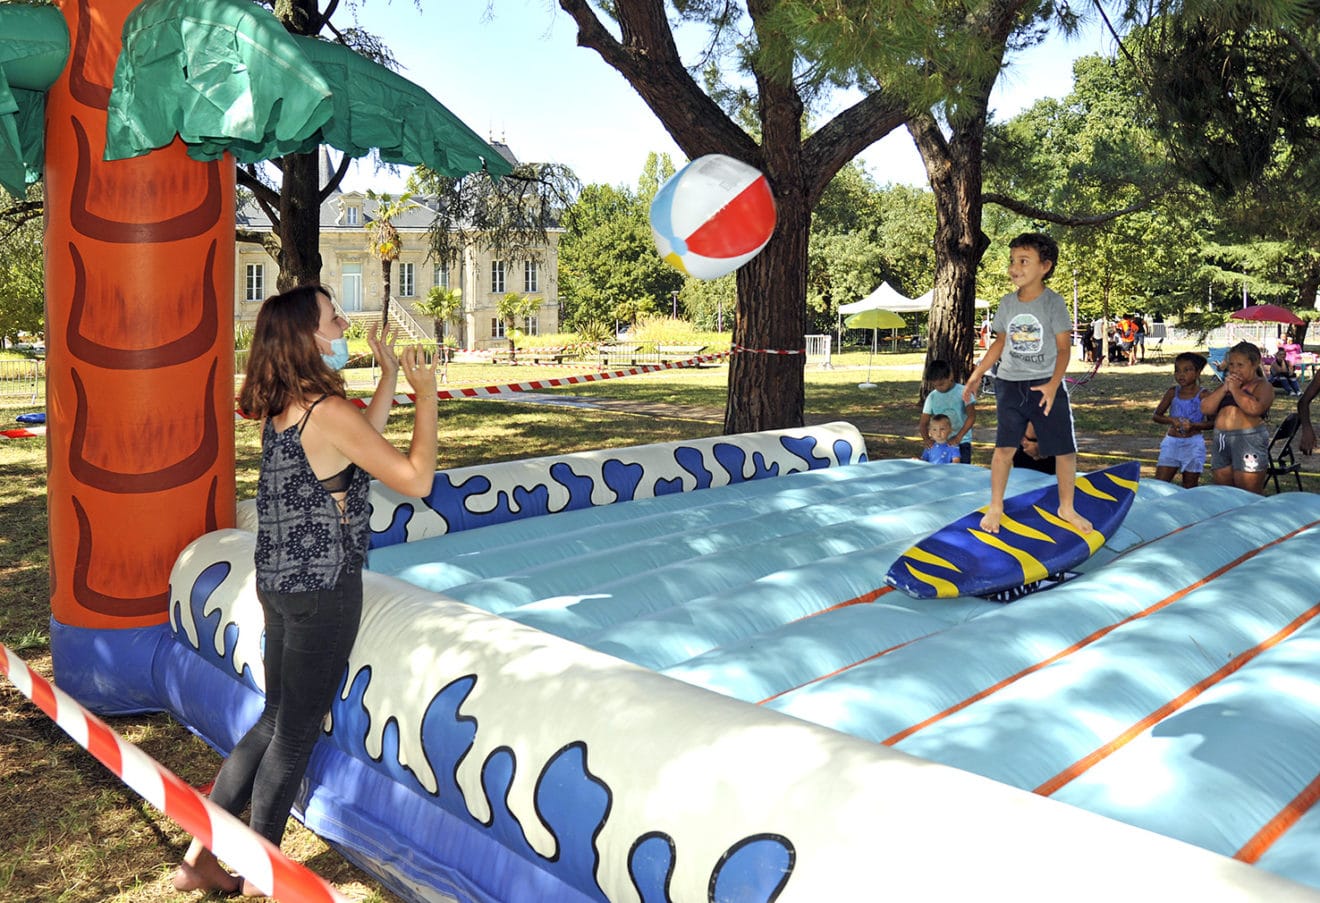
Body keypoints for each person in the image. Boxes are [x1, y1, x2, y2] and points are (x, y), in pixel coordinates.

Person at [173, 285, 440, 897]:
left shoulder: (288, 408)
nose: (345, 322)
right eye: (334, 317)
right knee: (293, 735)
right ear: (310, 338)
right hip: (323, 590)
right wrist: (426, 399)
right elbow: (416, 478)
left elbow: (355, 446)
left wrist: (391, 374)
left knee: (272, 721)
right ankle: (262, 872)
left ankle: (199, 858)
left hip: (278, 584)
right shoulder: (326, 411)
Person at [963, 232, 1091, 535]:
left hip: (1046, 384)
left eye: (1023, 261)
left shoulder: (1053, 303)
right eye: (1012, 261)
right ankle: (996, 506)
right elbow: (999, 342)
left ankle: (1066, 507)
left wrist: (1052, 385)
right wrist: (978, 373)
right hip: (1009, 384)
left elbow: (1063, 349)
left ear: (1045, 266)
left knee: (1064, 450)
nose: (1014, 268)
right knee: (1004, 449)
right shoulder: (1007, 303)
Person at [1200, 340, 1274, 493]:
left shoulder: (1262, 385)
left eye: (1240, 365)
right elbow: (1206, 408)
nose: (1234, 369)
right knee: (1225, 491)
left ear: (1254, 364)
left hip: (1248, 438)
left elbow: (1254, 408)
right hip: (1222, 438)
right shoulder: (1227, 385)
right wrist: (1224, 389)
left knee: (1247, 492)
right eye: (1231, 365)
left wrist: (1235, 390)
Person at [1152, 352, 1210, 488]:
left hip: (1193, 444)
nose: (1181, 375)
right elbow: (1157, 415)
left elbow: (1213, 422)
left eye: (1187, 370)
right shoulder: (1173, 392)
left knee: (1190, 486)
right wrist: (1172, 420)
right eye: (1177, 371)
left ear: (1198, 373)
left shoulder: (1204, 395)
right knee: (1160, 484)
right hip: (1172, 442)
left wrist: (1194, 425)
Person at [918, 359, 976, 464]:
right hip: (939, 443)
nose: (939, 388)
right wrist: (927, 439)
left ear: (950, 376)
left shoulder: (963, 392)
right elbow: (923, 423)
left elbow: (971, 416)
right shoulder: (932, 397)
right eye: (935, 386)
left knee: (960, 473)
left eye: (941, 384)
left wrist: (958, 437)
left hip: (962, 442)